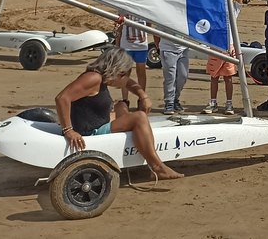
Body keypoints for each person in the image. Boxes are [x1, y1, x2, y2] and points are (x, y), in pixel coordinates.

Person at [55, 47, 183, 180]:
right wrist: (68, 130)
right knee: (140, 117)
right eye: (125, 74)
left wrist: (143, 96)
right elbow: (62, 98)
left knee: (121, 105)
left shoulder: (99, 76)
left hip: (94, 121)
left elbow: (128, 83)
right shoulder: (93, 78)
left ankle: (135, 136)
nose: (126, 78)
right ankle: (157, 167)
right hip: (89, 132)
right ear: (118, 71)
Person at [114, 14, 150, 105]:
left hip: (141, 45)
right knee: (125, 73)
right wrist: (117, 45)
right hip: (127, 46)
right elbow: (119, 28)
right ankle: (125, 99)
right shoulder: (123, 10)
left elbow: (149, 25)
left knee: (141, 72)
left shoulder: (144, 10)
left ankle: (141, 98)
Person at [157, 30, 189, 115]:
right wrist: (159, 47)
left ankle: (175, 98)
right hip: (168, 49)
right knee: (170, 77)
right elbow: (156, 32)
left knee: (183, 76)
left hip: (183, 49)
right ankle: (169, 102)